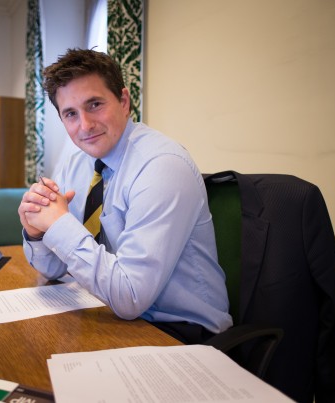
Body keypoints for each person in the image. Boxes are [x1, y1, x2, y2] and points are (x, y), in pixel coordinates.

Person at [17, 48, 232, 343]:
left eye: (94, 104)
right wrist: (37, 233)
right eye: (70, 114)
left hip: (179, 332)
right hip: (110, 311)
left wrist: (57, 224)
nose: (85, 125)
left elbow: (130, 296)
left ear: (123, 101)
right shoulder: (75, 162)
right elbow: (54, 268)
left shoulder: (161, 166)